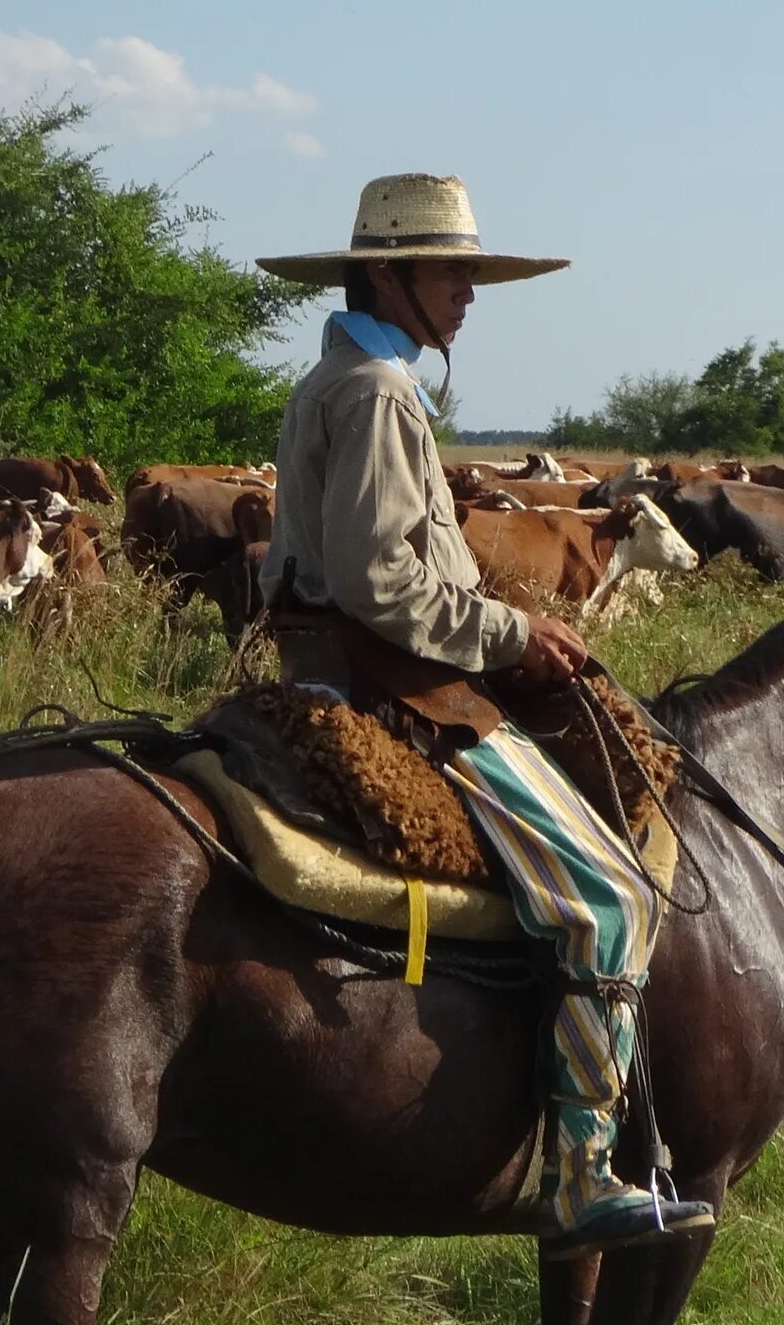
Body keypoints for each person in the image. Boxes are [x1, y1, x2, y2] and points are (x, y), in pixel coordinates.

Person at [255, 174, 711, 1254]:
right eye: (453, 272)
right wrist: (515, 635)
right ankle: (581, 1172)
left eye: (471, 273)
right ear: (388, 275)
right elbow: (378, 580)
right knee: (606, 896)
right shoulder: (373, 390)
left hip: (349, 660)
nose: (469, 292)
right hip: (391, 685)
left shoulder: (357, 374)